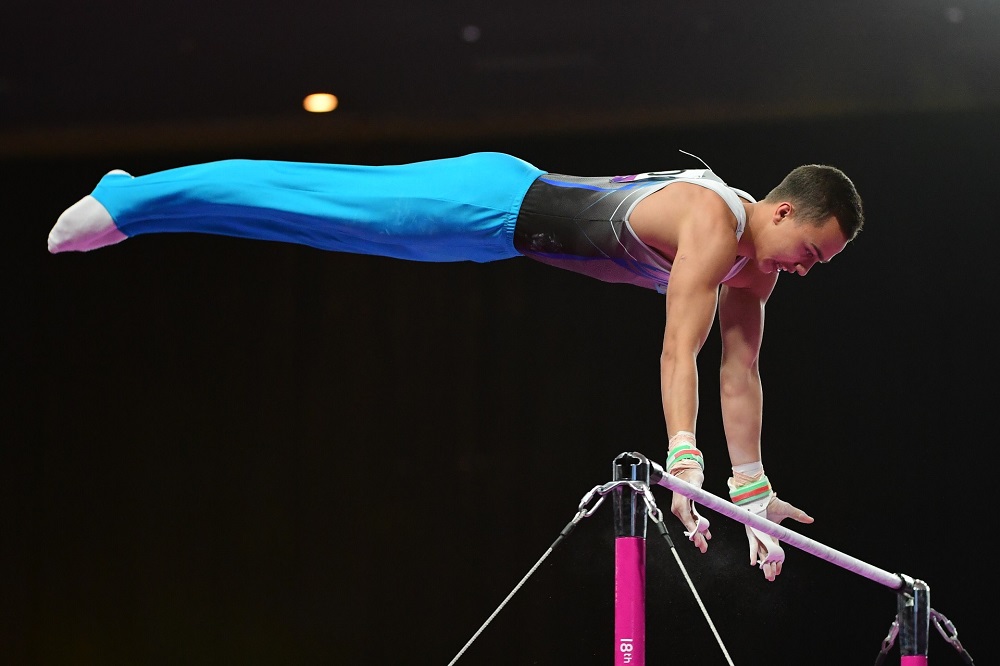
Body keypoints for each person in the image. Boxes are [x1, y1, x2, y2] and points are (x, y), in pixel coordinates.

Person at [47, 151, 864, 581]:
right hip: (490, 201)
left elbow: (739, 370)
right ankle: (130, 197)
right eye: (811, 252)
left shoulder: (756, 271)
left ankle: (146, 200)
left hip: (491, 240)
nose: (806, 268)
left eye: (819, 266)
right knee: (312, 202)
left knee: (314, 225)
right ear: (783, 209)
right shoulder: (715, 222)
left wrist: (750, 488)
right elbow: (679, 344)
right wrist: (685, 457)